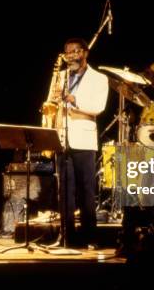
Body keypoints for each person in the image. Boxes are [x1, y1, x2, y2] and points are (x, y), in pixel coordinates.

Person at [46, 38, 109, 248]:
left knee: (86, 192)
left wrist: (75, 101)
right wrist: (52, 102)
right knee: (64, 192)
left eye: (75, 51)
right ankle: (66, 237)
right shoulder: (61, 76)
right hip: (62, 138)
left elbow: (98, 107)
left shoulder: (99, 78)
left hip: (84, 139)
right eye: (67, 52)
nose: (71, 55)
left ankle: (90, 237)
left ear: (85, 53)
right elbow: (52, 103)